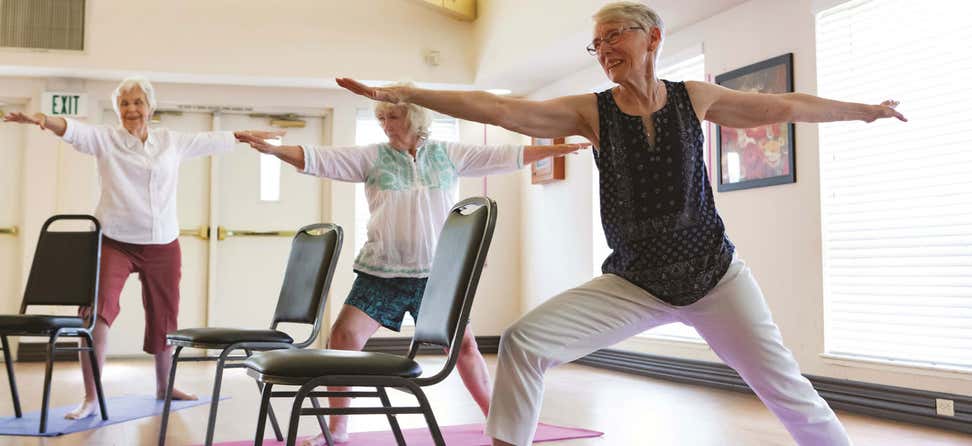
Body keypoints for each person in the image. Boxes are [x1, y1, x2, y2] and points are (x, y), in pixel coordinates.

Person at [334, 2, 907, 445]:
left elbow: (783, 107)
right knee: (524, 341)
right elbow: (500, 109)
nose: (604, 48)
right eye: (597, 41)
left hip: (716, 276)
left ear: (652, 37)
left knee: (784, 388)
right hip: (634, 282)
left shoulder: (695, 98)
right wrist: (406, 93)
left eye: (615, 35)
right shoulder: (592, 111)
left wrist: (864, 110)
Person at [236, 86, 586, 445]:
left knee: (463, 348)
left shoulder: (448, 154)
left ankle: (500, 422)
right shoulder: (372, 157)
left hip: (436, 278)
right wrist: (274, 150)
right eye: (382, 118)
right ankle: (338, 430)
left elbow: (502, 155)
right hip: (381, 272)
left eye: (395, 116)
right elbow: (320, 158)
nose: (387, 124)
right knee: (343, 338)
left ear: (417, 118)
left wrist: (557, 148)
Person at [2, 76, 281, 420]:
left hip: (162, 242)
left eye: (137, 102)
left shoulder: (171, 142)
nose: (131, 109)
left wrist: (247, 136)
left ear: (150, 107)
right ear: (118, 109)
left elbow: (211, 139)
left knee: (165, 317)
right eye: (124, 103)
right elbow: (74, 129)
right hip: (115, 240)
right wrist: (42, 119)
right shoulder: (106, 139)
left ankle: (164, 386)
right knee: (96, 314)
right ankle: (91, 396)